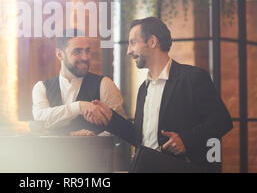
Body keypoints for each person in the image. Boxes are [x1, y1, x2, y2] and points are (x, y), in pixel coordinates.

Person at [84, 17, 233, 171]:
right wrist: (111, 118)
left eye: (133, 43)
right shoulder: (144, 88)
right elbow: (140, 138)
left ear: (152, 42)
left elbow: (221, 121)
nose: (129, 51)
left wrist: (186, 140)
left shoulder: (193, 77)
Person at [32, 29, 126, 136]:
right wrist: (79, 107)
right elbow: (41, 120)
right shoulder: (41, 87)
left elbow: (121, 129)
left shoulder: (104, 84)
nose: (85, 57)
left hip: (94, 152)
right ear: (59, 55)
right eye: (77, 51)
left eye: (87, 51)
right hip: (52, 152)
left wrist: (95, 138)